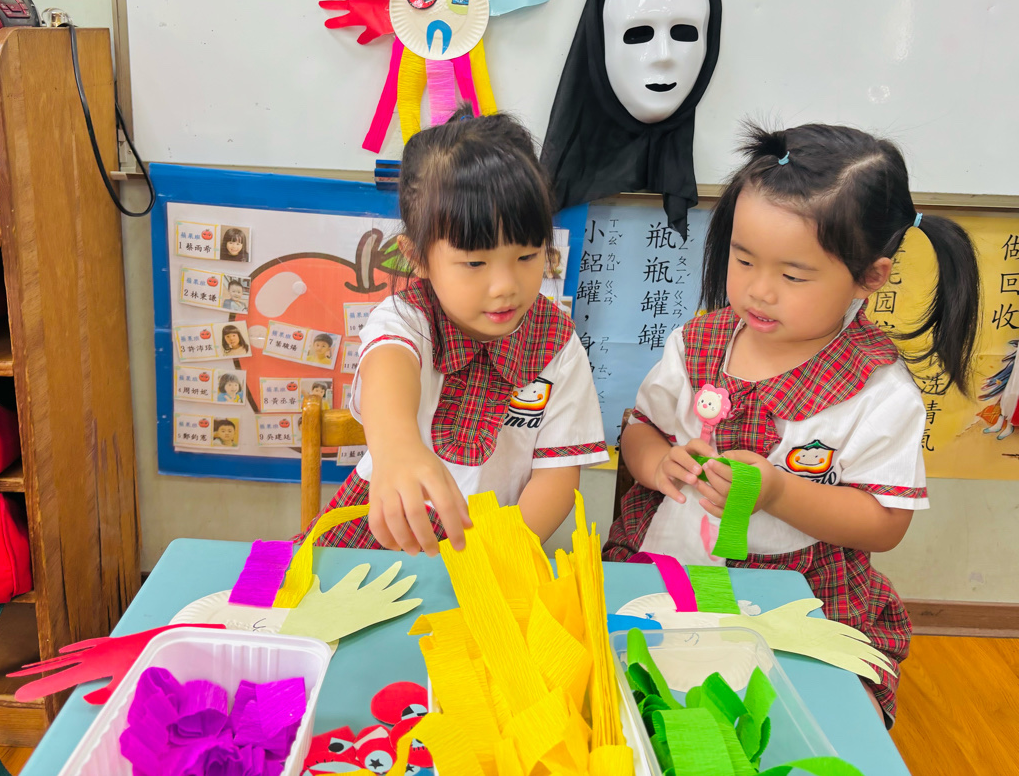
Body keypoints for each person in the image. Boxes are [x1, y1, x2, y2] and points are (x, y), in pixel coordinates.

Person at [604, 122, 980, 728]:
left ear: (870, 276)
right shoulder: (699, 341)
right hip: (668, 565)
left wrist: (779, 493)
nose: (758, 290)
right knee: (638, 704)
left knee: (789, 722)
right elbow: (642, 427)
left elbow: (885, 523)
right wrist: (655, 463)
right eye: (743, 259)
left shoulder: (878, 391)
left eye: (793, 275)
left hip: (799, 592)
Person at [299, 109, 607, 556]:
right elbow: (388, 367)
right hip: (386, 535)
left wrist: (495, 555)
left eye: (527, 256)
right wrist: (398, 447)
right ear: (417, 258)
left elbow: (556, 478)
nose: (505, 286)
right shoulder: (408, 318)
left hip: (493, 544)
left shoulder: (557, 344)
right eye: (475, 263)